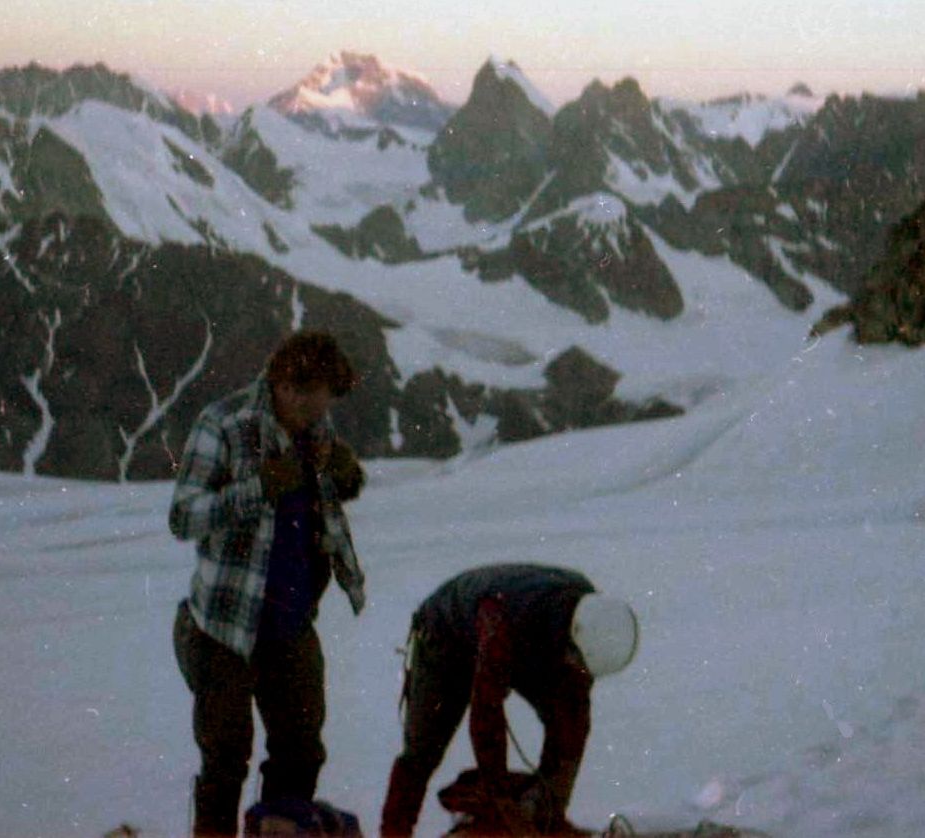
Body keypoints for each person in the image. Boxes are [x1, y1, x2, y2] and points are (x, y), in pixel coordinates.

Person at [169, 331, 368, 837]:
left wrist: (347, 480)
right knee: (226, 756)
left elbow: (319, 507)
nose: (317, 407)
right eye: (307, 394)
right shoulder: (224, 424)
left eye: (327, 395)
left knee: (301, 749)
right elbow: (183, 516)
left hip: (291, 621)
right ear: (281, 382)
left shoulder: (314, 426)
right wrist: (259, 489)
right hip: (225, 625)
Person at [381, 564, 640, 836]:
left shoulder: (589, 618)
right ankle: (394, 832)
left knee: (569, 718)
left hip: (532, 638)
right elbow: (486, 716)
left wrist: (549, 808)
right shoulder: (500, 621)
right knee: (422, 751)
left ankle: (546, 816)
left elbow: (575, 715)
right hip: (447, 635)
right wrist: (503, 804)